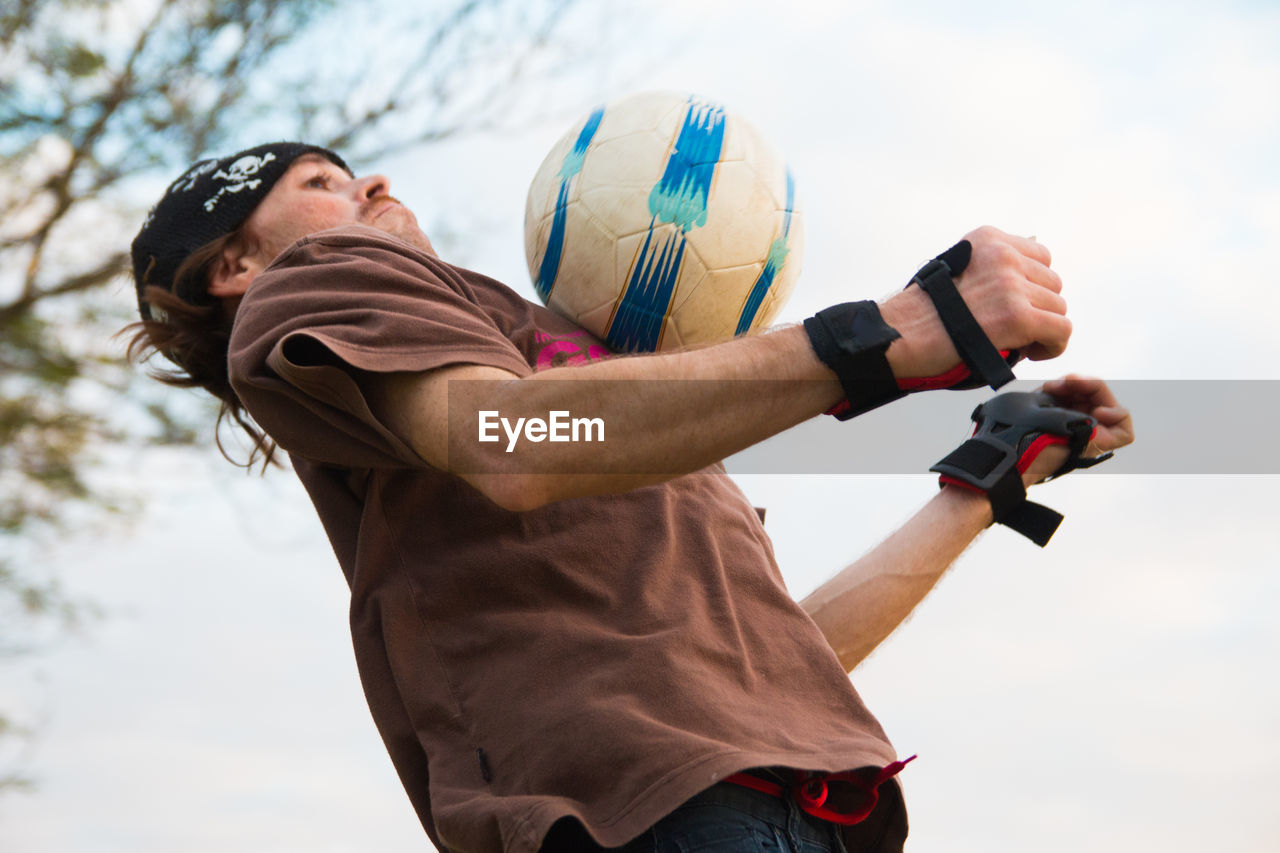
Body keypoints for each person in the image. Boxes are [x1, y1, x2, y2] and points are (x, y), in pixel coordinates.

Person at [126, 142, 1134, 853]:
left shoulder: (590, 378)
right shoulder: (314, 283)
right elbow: (513, 440)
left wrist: (985, 481)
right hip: (643, 821)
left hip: (789, 809)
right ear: (238, 268)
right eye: (319, 181)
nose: (370, 183)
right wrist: (882, 336)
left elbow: (778, 662)